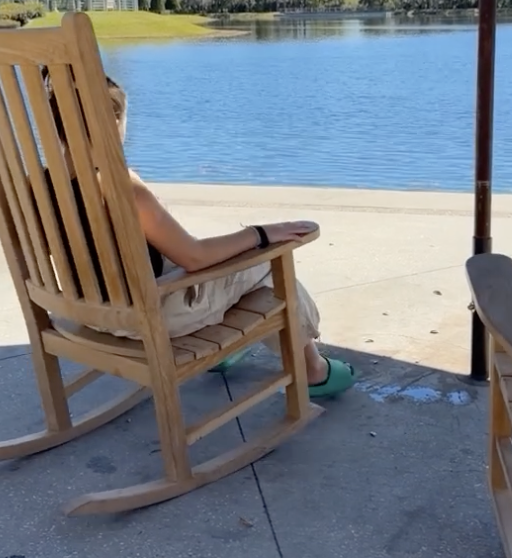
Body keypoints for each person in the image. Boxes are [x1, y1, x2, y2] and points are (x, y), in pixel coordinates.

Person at [42, 70, 356, 400]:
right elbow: (194, 257)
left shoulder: (42, 184)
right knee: (266, 265)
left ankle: (229, 348)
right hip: (145, 319)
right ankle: (313, 370)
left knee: (223, 260)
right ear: (114, 121)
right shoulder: (121, 188)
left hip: (86, 311)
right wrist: (263, 233)